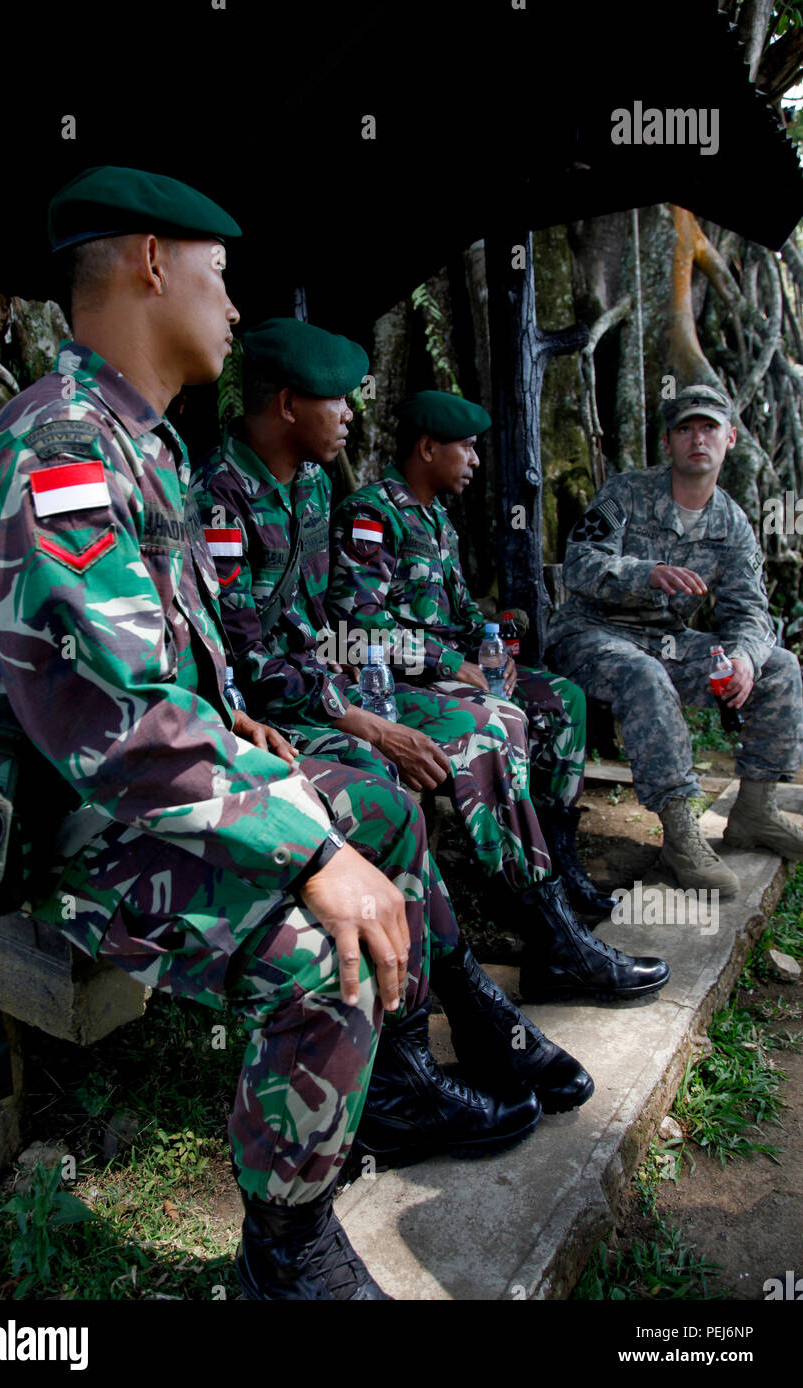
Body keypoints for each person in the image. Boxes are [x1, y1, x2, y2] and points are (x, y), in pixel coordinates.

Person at [0, 166, 580, 1303]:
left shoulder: (139, 442)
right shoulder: (60, 449)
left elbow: (165, 670)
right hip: (66, 825)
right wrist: (306, 850)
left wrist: (244, 726)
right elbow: (120, 725)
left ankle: (386, 1086)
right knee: (317, 953)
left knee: (381, 809)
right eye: (220, 275)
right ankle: (284, 1250)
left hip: (134, 788)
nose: (235, 310)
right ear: (152, 262)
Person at [194, 327, 669, 1008]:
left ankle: (550, 932)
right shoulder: (219, 495)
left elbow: (320, 630)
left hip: (331, 688)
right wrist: (365, 717)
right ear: (292, 403)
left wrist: (377, 685)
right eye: (338, 399)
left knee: (487, 730)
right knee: (401, 776)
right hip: (266, 719)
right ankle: (460, 979)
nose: (352, 415)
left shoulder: (311, 486)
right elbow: (248, 658)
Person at [329, 387, 614, 917]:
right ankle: (517, 888)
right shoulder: (370, 516)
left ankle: (559, 859)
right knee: (499, 718)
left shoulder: (438, 520)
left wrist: (493, 645)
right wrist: (450, 664)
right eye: (467, 447)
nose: (476, 460)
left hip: (455, 668)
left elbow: (460, 610)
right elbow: (358, 627)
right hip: (400, 680)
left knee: (564, 700)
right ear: (429, 448)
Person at [544, 382, 803, 896]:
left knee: (780, 665)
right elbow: (578, 564)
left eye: (709, 427)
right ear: (668, 443)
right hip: (590, 635)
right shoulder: (626, 493)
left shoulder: (732, 525)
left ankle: (754, 809)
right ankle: (681, 833)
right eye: (685, 428)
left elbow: (750, 611)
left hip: (665, 640)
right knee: (645, 674)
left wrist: (747, 658)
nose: (697, 439)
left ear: (730, 439)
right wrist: (648, 573)